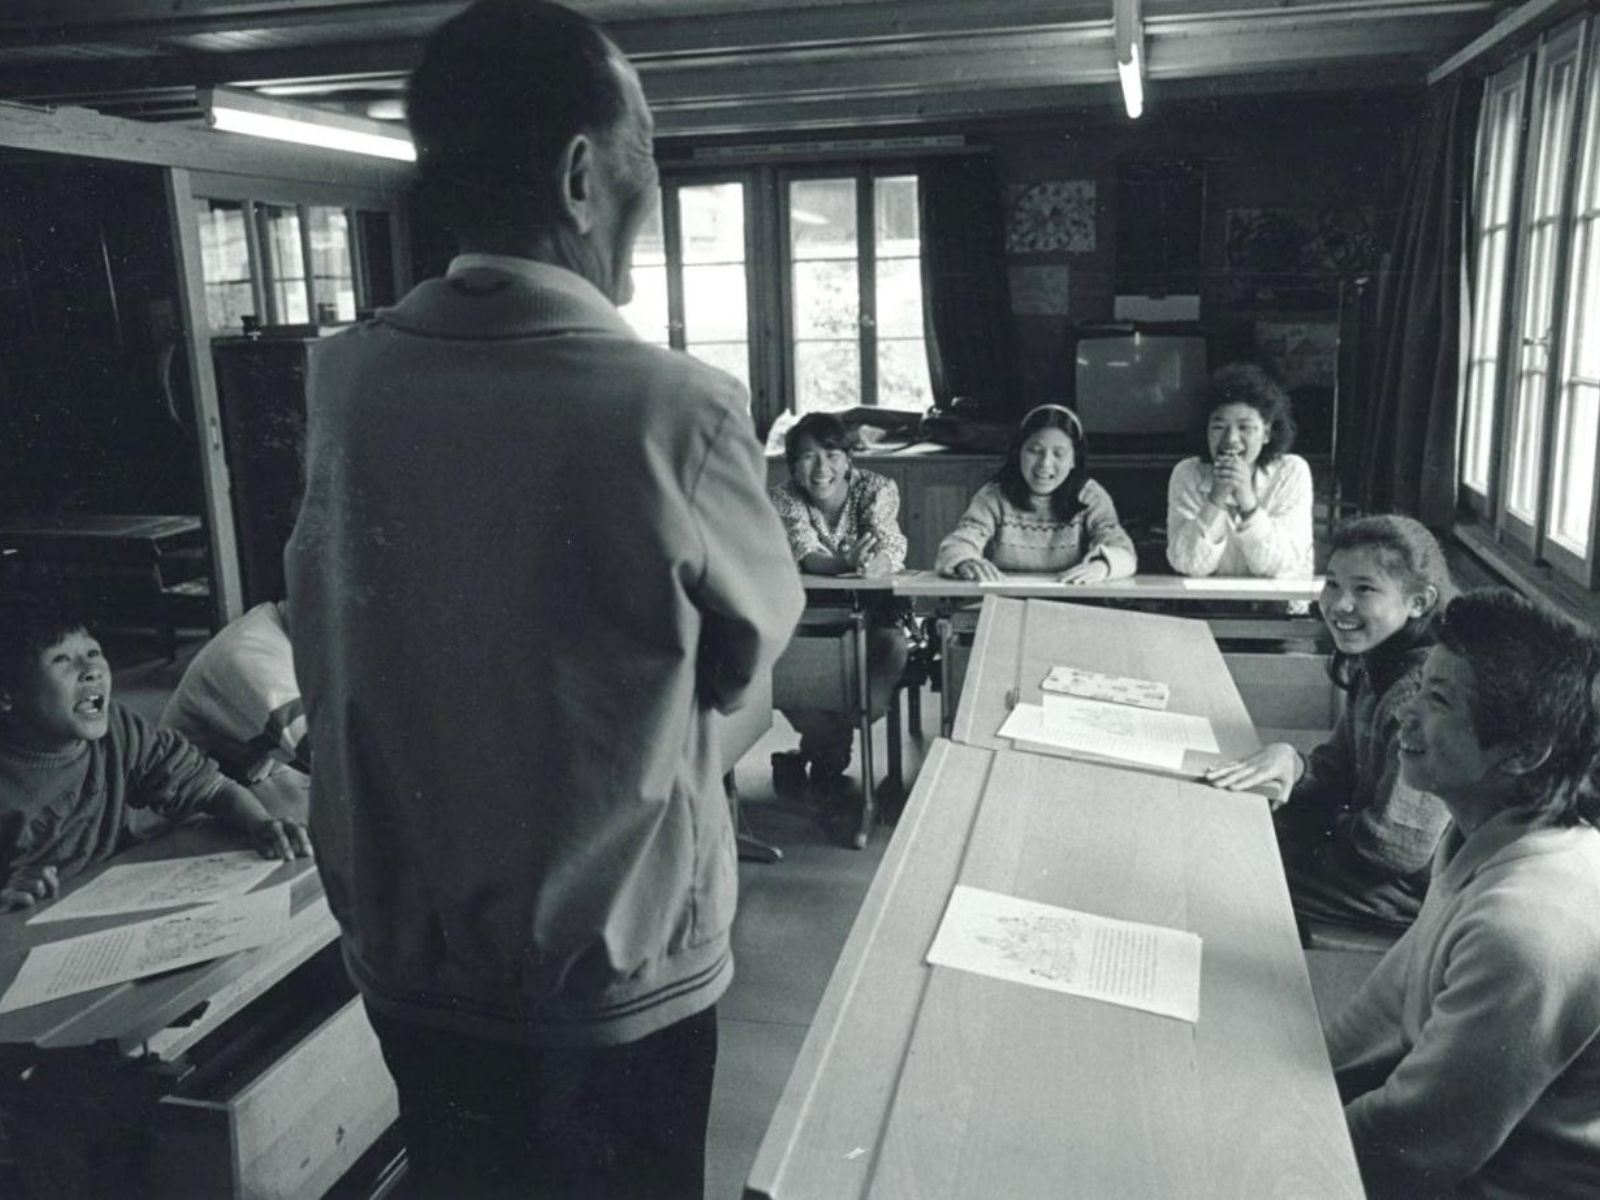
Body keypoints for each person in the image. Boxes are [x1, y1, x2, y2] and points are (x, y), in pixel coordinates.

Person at [283, 3, 803, 1197]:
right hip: (611, 979)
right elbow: (745, 682)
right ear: (583, 176)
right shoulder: (676, 410)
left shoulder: (347, 383)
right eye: (648, 148)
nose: (652, 181)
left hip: (411, 962)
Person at [1326, 588, 1600, 1198]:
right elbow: (1384, 1007)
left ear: (1525, 752)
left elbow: (1413, 1145)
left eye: (1440, 700)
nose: (1406, 713)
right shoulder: (1484, 832)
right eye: (1420, 687)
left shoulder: (1528, 927)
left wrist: (1288, 1139)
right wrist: (1292, 1082)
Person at [1205, 515, 1453, 932]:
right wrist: (1293, 764)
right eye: (1333, 583)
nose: (1339, 604)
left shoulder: (1421, 695)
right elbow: (1337, 768)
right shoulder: (1376, 662)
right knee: (1224, 845)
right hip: (1361, 857)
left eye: (1365, 589)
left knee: (1225, 875)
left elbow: (1397, 846)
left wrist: (1307, 831)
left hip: (1402, 891)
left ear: (1419, 602)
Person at [0, 600, 310, 911]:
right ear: (8, 695)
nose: (91, 671)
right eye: (62, 660)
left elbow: (208, 786)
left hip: (115, 899)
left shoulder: (118, 729)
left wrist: (262, 825)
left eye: (93, 653)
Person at [768, 413, 911, 833]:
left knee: (886, 663)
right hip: (807, 617)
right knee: (791, 675)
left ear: (849, 459)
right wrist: (844, 563)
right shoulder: (783, 496)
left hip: (875, 614)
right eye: (807, 457)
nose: (820, 469)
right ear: (792, 465)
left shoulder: (878, 488)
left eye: (831, 454)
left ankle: (825, 745)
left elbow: (888, 543)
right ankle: (827, 746)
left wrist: (877, 562)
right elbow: (806, 552)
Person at [934, 404, 1137, 582]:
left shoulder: (1090, 495)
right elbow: (958, 543)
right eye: (1035, 450)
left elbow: (1124, 552)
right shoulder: (993, 496)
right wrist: (965, 561)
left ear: (1074, 459)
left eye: (1058, 453)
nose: (1044, 464)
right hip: (1005, 603)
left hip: (1074, 604)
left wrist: (1102, 566)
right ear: (1018, 452)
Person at [1166, 363, 1313, 579]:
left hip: (1280, 607)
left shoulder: (1292, 471)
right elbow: (1187, 564)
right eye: (1218, 427)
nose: (1230, 440)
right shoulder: (1187, 473)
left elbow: (1281, 565)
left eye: (1244, 428)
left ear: (1266, 432)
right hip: (1208, 607)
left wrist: (1248, 502)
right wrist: (1216, 498)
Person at [159, 599, 309, 782]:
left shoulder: (280, 622)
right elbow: (331, 758)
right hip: (188, 797)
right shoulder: (252, 656)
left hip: (250, 781)